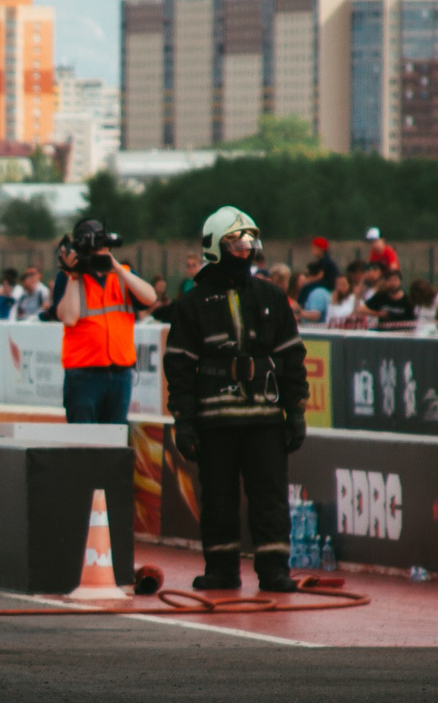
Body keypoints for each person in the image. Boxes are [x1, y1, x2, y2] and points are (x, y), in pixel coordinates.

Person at [164, 207, 308, 593]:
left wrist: (295, 411)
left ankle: (275, 570)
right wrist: (184, 421)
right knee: (218, 499)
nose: (244, 251)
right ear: (215, 247)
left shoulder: (272, 297)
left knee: (270, 499)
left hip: (265, 418)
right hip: (215, 420)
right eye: (235, 243)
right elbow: (178, 369)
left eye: (249, 243)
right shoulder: (192, 304)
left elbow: (292, 358)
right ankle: (222, 571)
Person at [53, 218, 158, 424]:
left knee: (115, 443)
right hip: (84, 375)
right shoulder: (67, 278)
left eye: (105, 249)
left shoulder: (122, 274)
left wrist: (117, 268)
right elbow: (70, 318)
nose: (101, 255)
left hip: (120, 374)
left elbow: (150, 298)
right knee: (83, 443)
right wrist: (75, 275)